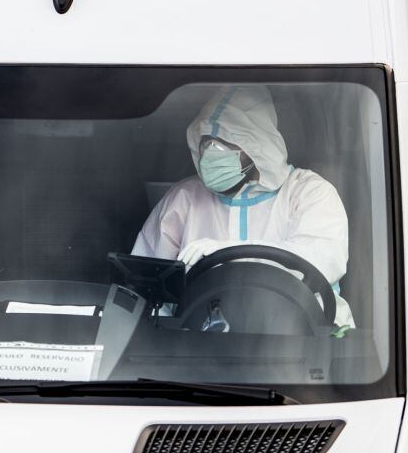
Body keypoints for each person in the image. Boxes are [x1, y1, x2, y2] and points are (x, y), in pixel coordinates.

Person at [132, 85, 355, 329]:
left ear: (257, 147)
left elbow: (322, 259)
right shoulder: (184, 198)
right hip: (198, 341)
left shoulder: (308, 193)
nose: (211, 156)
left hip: (302, 338)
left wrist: (230, 252)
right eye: (207, 144)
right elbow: (143, 281)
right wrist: (164, 331)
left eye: (224, 146)